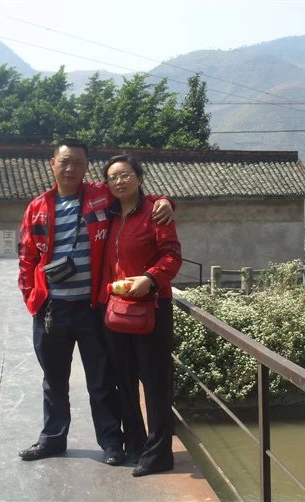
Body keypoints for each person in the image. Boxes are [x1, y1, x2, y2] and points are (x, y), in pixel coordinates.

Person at [17, 139, 174, 465]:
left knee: (101, 381)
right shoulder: (37, 207)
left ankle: (112, 443)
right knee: (54, 380)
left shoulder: (101, 196)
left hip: (92, 308)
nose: (70, 168)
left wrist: (165, 201)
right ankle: (52, 438)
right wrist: (33, 300)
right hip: (52, 309)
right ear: (53, 163)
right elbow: (26, 257)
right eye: (65, 161)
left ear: (87, 167)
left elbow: (134, 194)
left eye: (78, 162)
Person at [99, 154, 182, 477]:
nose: (119, 181)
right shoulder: (108, 214)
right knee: (124, 379)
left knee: (156, 381)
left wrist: (150, 278)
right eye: (113, 177)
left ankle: (159, 454)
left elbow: (172, 255)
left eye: (125, 175)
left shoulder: (155, 212)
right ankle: (135, 443)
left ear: (139, 177)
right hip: (117, 309)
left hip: (152, 307)